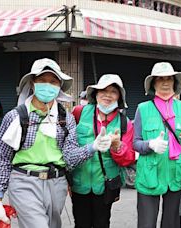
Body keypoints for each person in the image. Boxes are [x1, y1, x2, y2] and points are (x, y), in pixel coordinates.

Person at [0, 58, 100, 228]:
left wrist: (93, 147)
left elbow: (69, 157)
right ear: (32, 84)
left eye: (53, 82)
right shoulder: (15, 117)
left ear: (59, 87)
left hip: (57, 183)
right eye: (42, 80)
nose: (47, 85)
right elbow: (2, 158)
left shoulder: (66, 119)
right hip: (23, 182)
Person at [133, 62, 181, 228]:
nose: (165, 82)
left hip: (176, 175)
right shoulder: (143, 108)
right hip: (150, 175)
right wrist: (150, 144)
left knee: (172, 224)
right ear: (153, 83)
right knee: (146, 224)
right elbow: (135, 143)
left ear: (174, 83)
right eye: (160, 79)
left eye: (169, 78)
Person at [71, 74, 135, 228]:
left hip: (106, 185)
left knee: (102, 223)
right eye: (103, 91)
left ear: (119, 97)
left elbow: (128, 159)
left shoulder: (125, 123)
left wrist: (117, 147)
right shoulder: (79, 113)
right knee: (81, 223)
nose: (107, 95)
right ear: (95, 94)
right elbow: (68, 145)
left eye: (113, 91)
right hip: (79, 183)